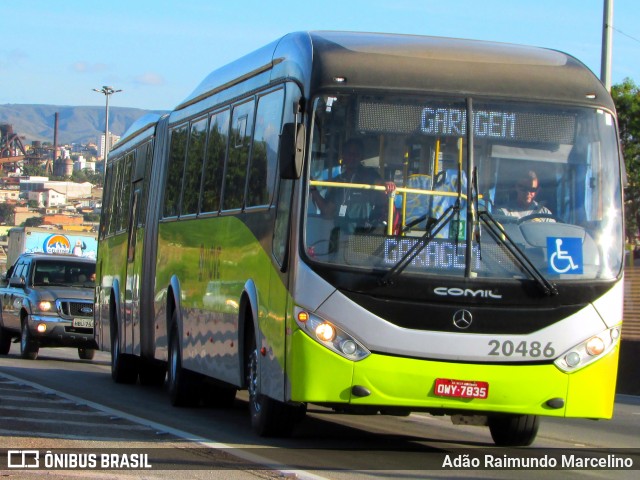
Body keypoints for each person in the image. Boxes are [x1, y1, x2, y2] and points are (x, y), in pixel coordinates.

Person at [310, 139, 396, 233]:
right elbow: (328, 212)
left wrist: (386, 185)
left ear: (361, 156)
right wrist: (312, 187)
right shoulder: (338, 181)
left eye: (356, 154)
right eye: (349, 153)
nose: (352, 157)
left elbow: (379, 183)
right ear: (343, 156)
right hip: (340, 237)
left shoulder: (369, 174)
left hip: (365, 235)